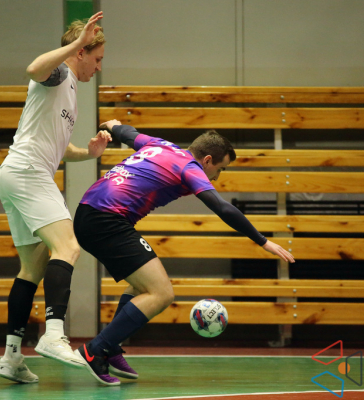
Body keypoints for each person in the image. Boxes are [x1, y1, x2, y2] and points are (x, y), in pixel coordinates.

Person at [72, 120, 296, 385]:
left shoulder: (161, 145)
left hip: (89, 212)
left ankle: (110, 347)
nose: (217, 177)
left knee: (142, 285)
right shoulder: (190, 168)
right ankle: (96, 350)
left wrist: (114, 125)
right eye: (220, 169)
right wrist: (263, 241)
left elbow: (128, 134)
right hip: (106, 220)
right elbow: (222, 208)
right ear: (208, 160)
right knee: (161, 293)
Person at [0, 12, 111, 384]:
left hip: (16, 173)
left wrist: (89, 152)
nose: (98, 66)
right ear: (80, 52)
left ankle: (12, 356)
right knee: (69, 247)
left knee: (32, 268)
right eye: (96, 58)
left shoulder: (70, 90)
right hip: (28, 172)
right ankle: (54, 334)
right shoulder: (59, 72)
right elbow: (33, 68)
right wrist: (76, 43)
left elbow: (60, 148)